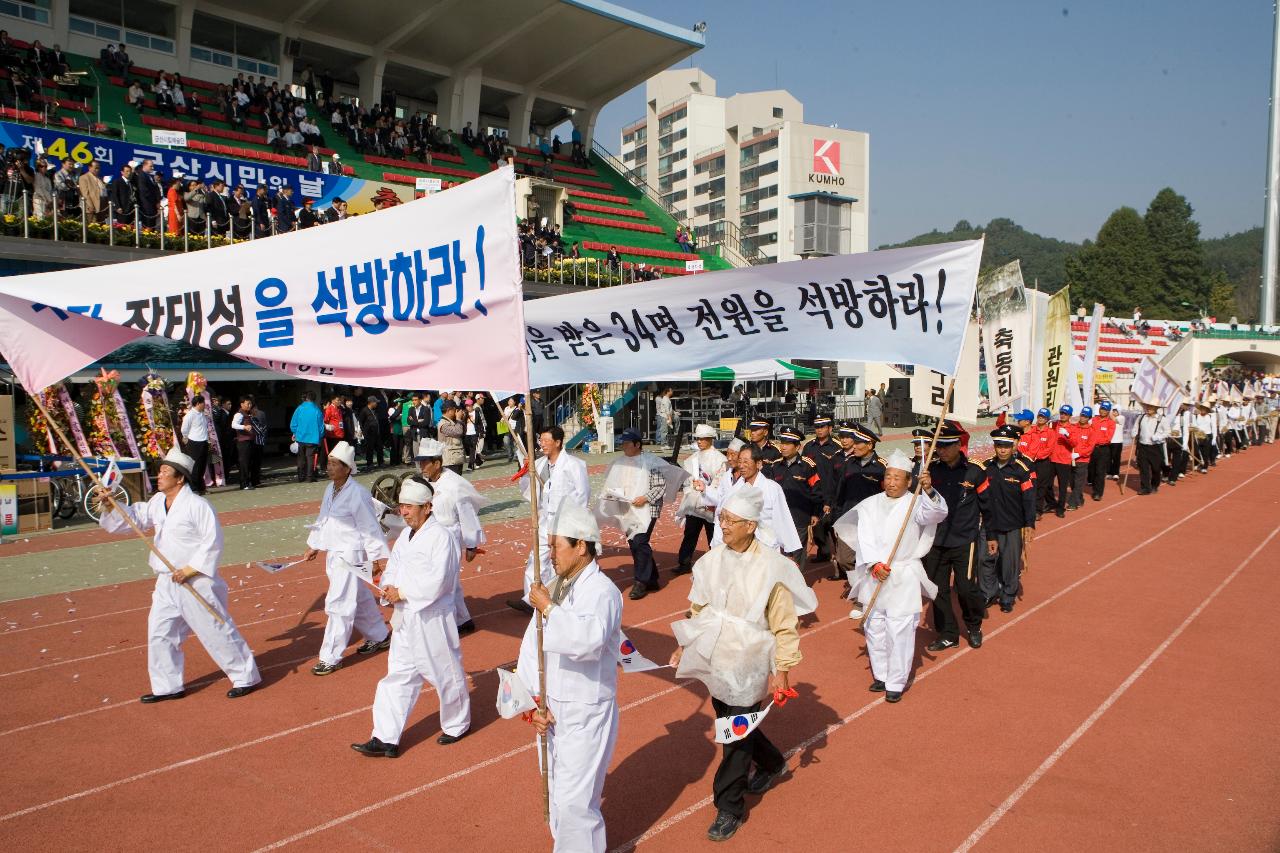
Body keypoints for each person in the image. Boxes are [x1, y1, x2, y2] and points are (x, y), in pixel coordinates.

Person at [669, 487, 817, 842]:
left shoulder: (773, 567)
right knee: (730, 718)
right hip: (719, 655)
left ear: (751, 525)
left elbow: (784, 625)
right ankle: (772, 762)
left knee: (733, 734)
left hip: (750, 658)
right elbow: (699, 608)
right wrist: (684, 643)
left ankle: (729, 806)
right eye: (722, 518)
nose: (724, 525)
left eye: (731, 520)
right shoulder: (711, 561)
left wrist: (782, 670)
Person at [97, 447, 260, 702]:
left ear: (180, 478)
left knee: (215, 629)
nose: (158, 476)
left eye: (164, 472)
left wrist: (190, 569)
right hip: (166, 581)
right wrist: (111, 505)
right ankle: (167, 686)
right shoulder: (156, 503)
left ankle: (245, 676)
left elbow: (212, 541)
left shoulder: (198, 505)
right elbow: (134, 519)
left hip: (195, 579)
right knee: (160, 633)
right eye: (159, 472)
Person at [519, 502, 623, 851]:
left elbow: (588, 641)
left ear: (581, 545)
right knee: (555, 793)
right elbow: (532, 645)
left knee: (575, 802)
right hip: (551, 708)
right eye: (548, 546)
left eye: (555, 546)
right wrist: (532, 701)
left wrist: (548, 608)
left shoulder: (602, 592)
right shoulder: (556, 584)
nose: (550, 554)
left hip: (585, 709)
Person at [352, 477, 470, 757]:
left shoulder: (441, 537)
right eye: (401, 506)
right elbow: (393, 568)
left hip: (432, 618)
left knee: (444, 672)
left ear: (427, 507)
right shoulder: (405, 536)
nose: (403, 512)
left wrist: (402, 592)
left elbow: (439, 582)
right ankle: (385, 737)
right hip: (406, 618)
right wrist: (389, 589)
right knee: (398, 675)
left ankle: (457, 724)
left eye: (409, 506)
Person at [834, 448, 947, 703]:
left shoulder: (916, 503)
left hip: (903, 574)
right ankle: (881, 674)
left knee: (900, 628)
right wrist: (873, 564)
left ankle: (896, 680)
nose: (891, 482)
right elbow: (863, 537)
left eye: (898, 478)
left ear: (909, 481)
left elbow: (937, 513)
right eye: (888, 477)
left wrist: (928, 490)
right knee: (874, 626)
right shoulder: (871, 504)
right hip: (876, 574)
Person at [302, 441, 391, 675]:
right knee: (360, 598)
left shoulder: (358, 494)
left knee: (339, 604)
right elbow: (324, 518)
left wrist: (375, 560)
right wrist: (314, 544)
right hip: (334, 552)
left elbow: (370, 528)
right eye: (328, 463)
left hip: (350, 554)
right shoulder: (329, 489)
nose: (329, 467)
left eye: (334, 464)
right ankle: (380, 635)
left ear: (347, 468)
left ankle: (331, 656)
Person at [508, 425, 591, 614]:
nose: (542, 444)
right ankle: (530, 599)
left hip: (565, 522)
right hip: (546, 521)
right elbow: (528, 489)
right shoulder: (539, 464)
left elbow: (583, 495)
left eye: (546, 441)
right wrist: (527, 469)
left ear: (558, 442)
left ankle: (556, 598)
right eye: (541, 441)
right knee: (536, 559)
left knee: (559, 562)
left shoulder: (574, 465)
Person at [595, 428, 684, 600]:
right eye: (623, 443)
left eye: (628, 443)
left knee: (639, 541)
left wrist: (644, 498)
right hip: (627, 509)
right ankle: (651, 579)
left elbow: (660, 487)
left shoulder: (651, 462)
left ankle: (640, 582)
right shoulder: (620, 462)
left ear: (637, 444)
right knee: (634, 543)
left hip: (646, 509)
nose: (624, 446)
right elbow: (613, 483)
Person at [921, 422, 987, 650]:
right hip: (936, 540)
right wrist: (925, 487)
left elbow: (987, 504)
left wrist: (993, 535)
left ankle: (974, 625)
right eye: (939, 446)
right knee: (937, 589)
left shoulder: (975, 470)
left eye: (948, 446)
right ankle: (948, 632)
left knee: (966, 588)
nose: (942, 450)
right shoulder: (931, 471)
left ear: (959, 445)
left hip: (964, 539)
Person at [414, 438, 485, 634]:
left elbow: (467, 515)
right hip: (431, 535)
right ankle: (462, 619)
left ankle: (448, 622)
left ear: (437, 463)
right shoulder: (425, 483)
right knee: (448, 580)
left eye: (425, 462)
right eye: (420, 462)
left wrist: (471, 545)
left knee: (444, 581)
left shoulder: (454, 485)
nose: (422, 466)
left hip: (449, 536)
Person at [693, 444, 802, 554]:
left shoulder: (771, 488)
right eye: (740, 461)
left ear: (758, 464)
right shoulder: (734, 488)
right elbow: (721, 504)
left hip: (764, 549)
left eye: (746, 462)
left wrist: (789, 551)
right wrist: (705, 490)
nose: (741, 466)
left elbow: (782, 519)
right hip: (738, 550)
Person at [976, 426, 1036, 614]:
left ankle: (1008, 596)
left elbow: (1029, 499)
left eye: (1006, 446)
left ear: (1013, 447)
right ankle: (988, 591)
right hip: (989, 524)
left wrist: (1029, 524)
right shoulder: (986, 467)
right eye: (999, 445)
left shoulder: (1021, 470)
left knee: (1009, 563)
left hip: (1012, 525)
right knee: (984, 559)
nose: (1002, 450)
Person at [828, 424, 885, 580]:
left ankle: (865, 590)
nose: (855, 446)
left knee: (871, 558)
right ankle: (861, 580)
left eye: (859, 443)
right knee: (844, 559)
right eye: (855, 442)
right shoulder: (848, 464)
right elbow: (840, 492)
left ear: (870, 445)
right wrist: (837, 519)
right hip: (849, 520)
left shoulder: (882, 467)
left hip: (871, 523)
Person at [764, 427, 824, 563]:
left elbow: (816, 491)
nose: (783, 447)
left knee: (797, 555)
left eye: (787, 444)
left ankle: (798, 582)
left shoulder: (808, 466)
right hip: (779, 517)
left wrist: (815, 513)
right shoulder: (775, 466)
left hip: (800, 517)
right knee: (781, 554)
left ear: (798, 447)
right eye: (782, 443)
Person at [674, 424, 727, 574]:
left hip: (710, 504)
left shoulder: (719, 459)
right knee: (690, 534)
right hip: (695, 504)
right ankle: (684, 562)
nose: (699, 442)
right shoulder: (693, 458)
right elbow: (687, 481)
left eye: (703, 439)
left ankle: (717, 564)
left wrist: (708, 495)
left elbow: (719, 481)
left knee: (713, 535)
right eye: (698, 439)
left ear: (711, 439)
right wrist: (692, 491)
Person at [802, 415, 841, 562]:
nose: (819, 430)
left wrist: (832, 498)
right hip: (815, 493)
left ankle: (839, 556)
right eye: (817, 427)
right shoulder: (808, 446)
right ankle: (823, 552)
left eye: (822, 427)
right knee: (817, 526)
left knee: (834, 527)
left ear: (830, 428)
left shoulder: (837, 446)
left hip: (833, 492)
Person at [1133, 403, 1169, 494]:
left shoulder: (1162, 419)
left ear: (1156, 408)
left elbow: (1168, 432)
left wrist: (1158, 437)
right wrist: (1133, 433)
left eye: (1151, 407)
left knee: (1156, 468)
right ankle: (1145, 487)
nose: (1148, 408)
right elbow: (1135, 428)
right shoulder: (1141, 417)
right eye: (1147, 406)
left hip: (1155, 447)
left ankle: (1154, 485)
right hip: (1142, 446)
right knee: (1143, 468)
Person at [290, 391, 324, 482]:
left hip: (300, 437)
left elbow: (293, 423)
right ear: (314, 399)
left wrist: (295, 432)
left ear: (306, 398)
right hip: (313, 438)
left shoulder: (300, 408)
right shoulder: (317, 410)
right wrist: (320, 436)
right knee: (310, 457)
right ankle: (310, 477)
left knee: (301, 457)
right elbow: (321, 427)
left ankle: (301, 477)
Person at [179, 395, 211, 495]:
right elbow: (184, 429)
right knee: (195, 466)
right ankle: (193, 488)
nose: (204, 405)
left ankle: (201, 487)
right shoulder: (190, 415)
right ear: (198, 404)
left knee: (202, 466)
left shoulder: (202, 414)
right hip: (194, 442)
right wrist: (186, 438)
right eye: (203, 403)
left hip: (204, 441)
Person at [1087, 401, 1117, 501]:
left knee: (1100, 471)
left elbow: (1108, 438)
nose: (1103, 411)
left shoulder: (1111, 423)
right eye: (1102, 409)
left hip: (1103, 450)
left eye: (1105, 409)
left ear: (1108, 411)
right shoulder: (1093, 419)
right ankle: (1094, 486)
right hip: (1092, 449)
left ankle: (1098, 493)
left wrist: (1095, 441)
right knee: (1092, 470)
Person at [231, 396, 256, 490]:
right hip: (243, 441)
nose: (249, 405)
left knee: (248, 462)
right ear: (242, 404)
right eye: (247, 403)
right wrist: (244, 427)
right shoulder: (239, 414)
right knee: (244, 462)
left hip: (249, 440)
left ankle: (247, 482)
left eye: (250, 403)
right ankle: (244, 483)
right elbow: (233, 425)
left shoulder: (247, 413)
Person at [436, 400, 466, 474]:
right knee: (453, 483)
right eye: (455, 410)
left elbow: (463, 432)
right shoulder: (443, 424)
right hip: (449, 461)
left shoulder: (452, 422)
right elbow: (458, 432)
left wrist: (461, 420)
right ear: (449, 410)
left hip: (456, 458)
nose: (456, 412)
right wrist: (458, 419)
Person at [358, 396, 384, 468]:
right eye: (375, 402)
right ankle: (370, 464)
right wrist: (364, 431)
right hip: (369, 433)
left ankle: (381, 462)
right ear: (371, 402)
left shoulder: (375, 410)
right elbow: (361, 421)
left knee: (379, 448)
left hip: (377, 432)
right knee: (370, 449)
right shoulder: (364, 410)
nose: (376, 404)